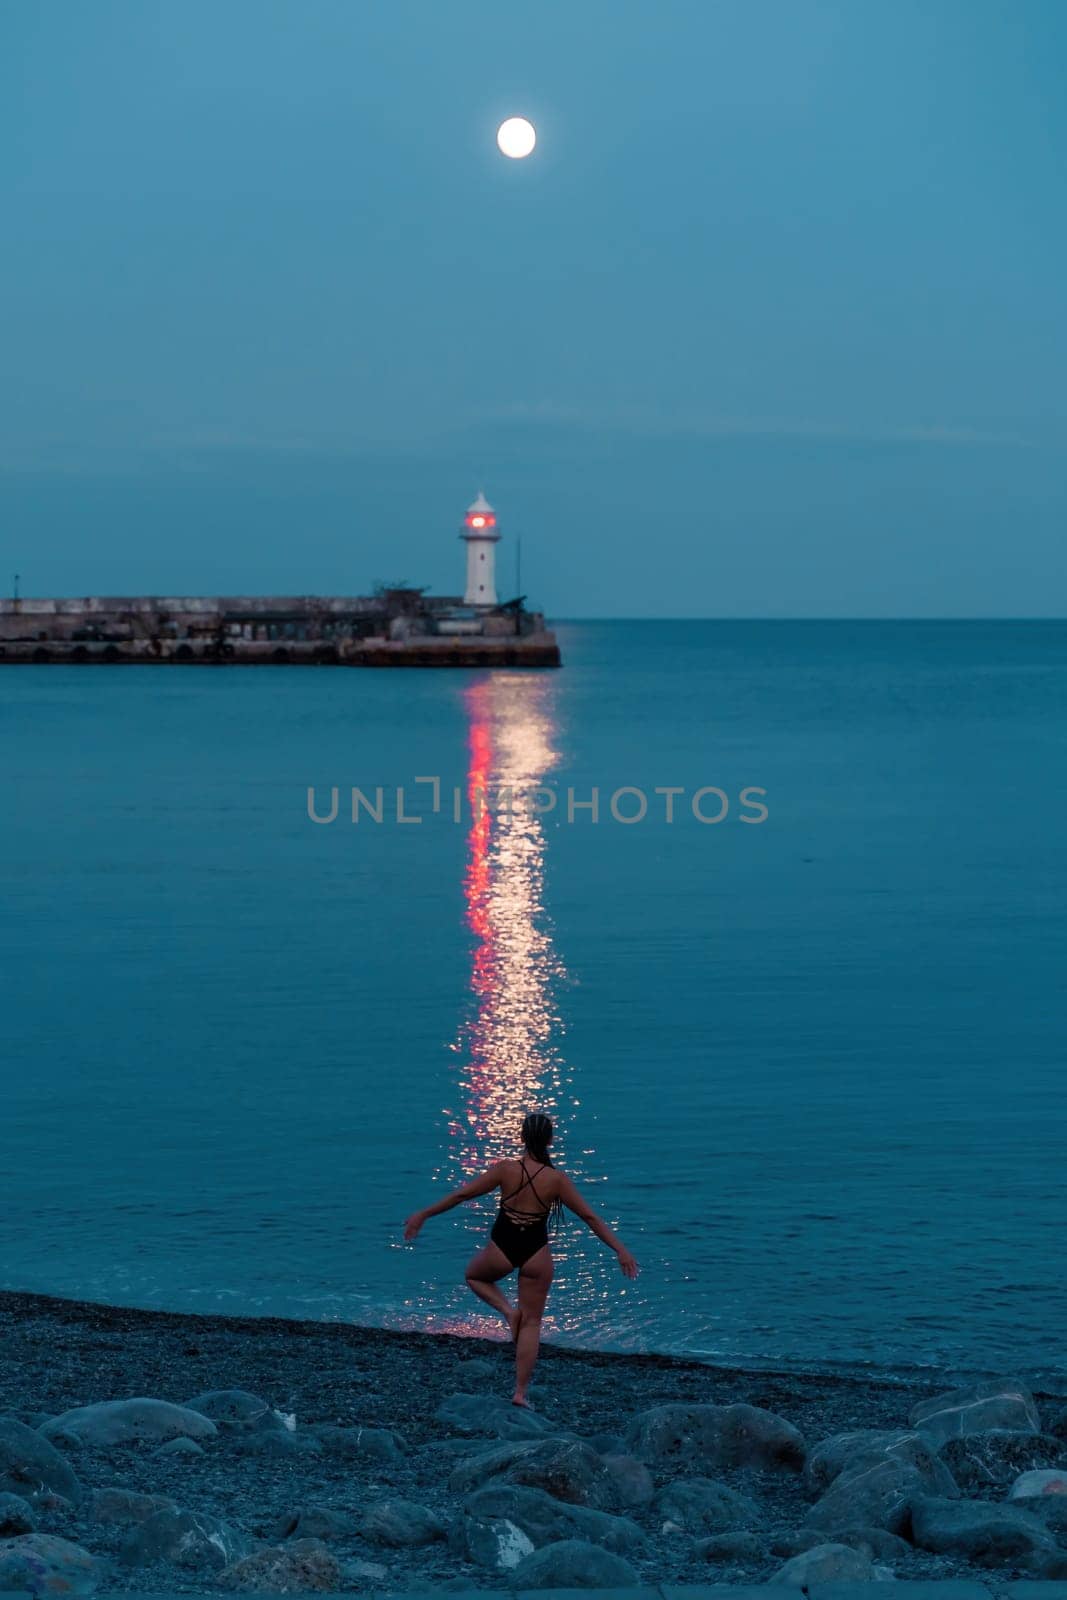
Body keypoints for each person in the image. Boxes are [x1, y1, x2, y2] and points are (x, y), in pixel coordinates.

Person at [403, 1111, 639, 1407]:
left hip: (502, 1246)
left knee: (474, 1276)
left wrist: (423, 1214)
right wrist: (621, 1250)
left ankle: (507, 1311)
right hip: (536, 1253)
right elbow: (590, 1217)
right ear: (550, 1140)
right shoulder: (556, 1180)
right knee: (532, 1323)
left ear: (522, 1137)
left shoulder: (506, 1169)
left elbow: (461, 1195)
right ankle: (519, 1393)